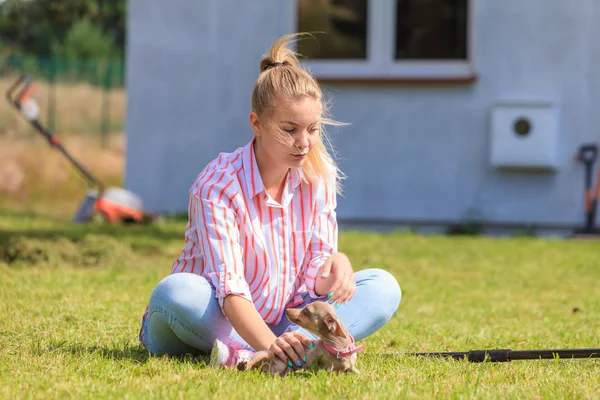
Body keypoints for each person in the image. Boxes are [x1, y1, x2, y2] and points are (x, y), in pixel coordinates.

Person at [138, 33, 402, 370]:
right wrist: (272, 343)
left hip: (285, 322)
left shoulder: (318, 177)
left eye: (312, 129)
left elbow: (312, 285)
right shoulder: (218, 184)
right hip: (213, 316)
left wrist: (337, 265)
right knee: (174, 292)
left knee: (383, 286)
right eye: (290, 129)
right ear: (257, 124)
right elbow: (229, 289)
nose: (304, 143)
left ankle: (272, 354)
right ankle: (277, 353)